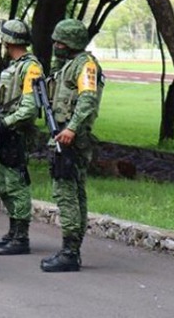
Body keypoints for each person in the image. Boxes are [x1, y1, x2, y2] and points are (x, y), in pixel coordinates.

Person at [41, 18, 104, 273]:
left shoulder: (85, 66)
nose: (56, 45)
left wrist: (71, 128)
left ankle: (70, 252)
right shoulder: (70, 65)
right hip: (64, 137)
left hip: (71, 140)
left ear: (72, 42)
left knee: (68, 194)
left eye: (60, 41)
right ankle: (71, 249)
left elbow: (87, 100)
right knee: (72, 193)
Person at [0, 19, 42, 256]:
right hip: (4, 134)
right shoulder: (15, 66)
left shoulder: (30, 67)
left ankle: (21, 237)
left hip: (16, 134)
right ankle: (12, 232)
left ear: (8, 41)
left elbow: (29, 107)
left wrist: (6, 124)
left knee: (17, 186)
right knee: (5, 186)